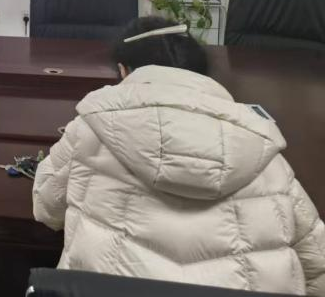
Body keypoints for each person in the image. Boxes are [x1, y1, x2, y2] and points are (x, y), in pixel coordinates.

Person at [33, 16, 325, 294]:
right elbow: (317, 263)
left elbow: (46, 207)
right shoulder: (261, 143)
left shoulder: (92, 126)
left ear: (123, 70)